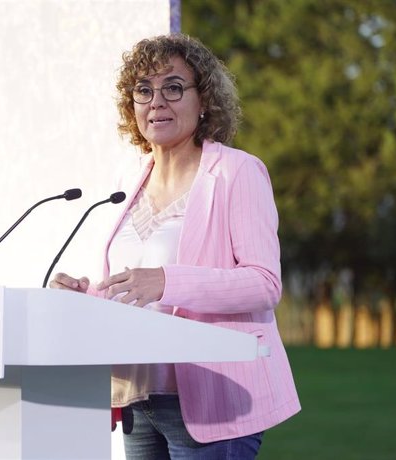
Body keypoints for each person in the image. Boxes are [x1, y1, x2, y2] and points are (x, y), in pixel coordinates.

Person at [51, 33, 300, 459]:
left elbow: (264, 284)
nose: (157, 101)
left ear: (203, 100)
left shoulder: (238, 173)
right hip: (138, 398)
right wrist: (89, 296)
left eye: (173, 87)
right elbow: (138, 288)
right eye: (144, 90)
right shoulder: (126, 182)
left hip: (214, 402)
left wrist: (167, 281)